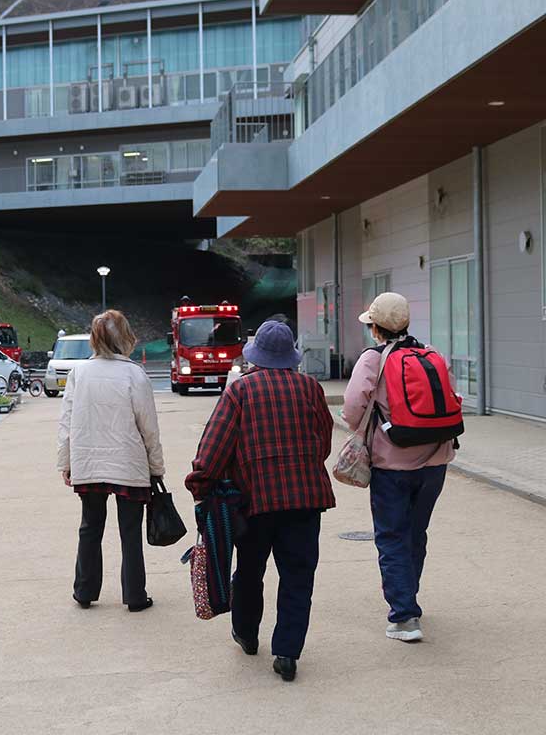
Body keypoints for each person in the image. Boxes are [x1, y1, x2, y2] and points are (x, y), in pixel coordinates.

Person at [186, 319, 335, 683]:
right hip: (305, 500)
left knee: (250, 572)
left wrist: (200, 483)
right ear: (290, 358)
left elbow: (214, 446)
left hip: (253, 502)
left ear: (256, 358)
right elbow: (325, 438)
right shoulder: (310, 388)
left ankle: (247, 634)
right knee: (298, 576)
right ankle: (287, 651)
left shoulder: (240, 391)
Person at [343, 291, 454, 644]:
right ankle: (409, 597)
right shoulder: (433, 355)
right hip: (436, 461)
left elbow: (350, 409)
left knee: (391, 536)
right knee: (415, 533)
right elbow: (453, 399)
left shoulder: (373, 360)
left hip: (392, 464)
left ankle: (404, 616)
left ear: (375, 328)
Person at [57, 310, 165, 612]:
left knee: (90, 526)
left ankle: (84, 591)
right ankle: (134, 595)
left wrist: (66, 462)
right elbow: (149, 427)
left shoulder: (79, 373)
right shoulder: (134, 374)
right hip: (128, 462)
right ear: (125, 336)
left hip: (88, 462)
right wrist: (156, 467)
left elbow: (66, 422)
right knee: (130, 531)